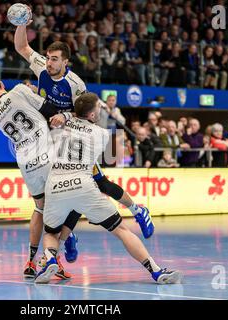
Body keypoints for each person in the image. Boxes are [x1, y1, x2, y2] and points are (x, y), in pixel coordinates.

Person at [14, 17, 155, 269]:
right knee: (59, 191)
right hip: (49, 140)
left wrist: (64, 116)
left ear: (65, 62)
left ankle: (137, 209)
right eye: (47, 57)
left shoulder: (75, 83)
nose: (49, 62)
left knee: (96, 181)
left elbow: (82, 111)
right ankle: (66, 238)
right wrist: (21, 23)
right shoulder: (42, 68)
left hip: (71, 135)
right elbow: (22, 48)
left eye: (54, 59)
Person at [35, 93, 182, 284]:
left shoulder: (56, 127)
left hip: (55, 185)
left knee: (51, 233)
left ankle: (50, 259)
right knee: (121, 230)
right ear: (93, 115)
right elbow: (109, 166)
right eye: (99, 109)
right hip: (82, 185)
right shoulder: (101, 134)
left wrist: (67, 116)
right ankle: (156, 271)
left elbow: (65, 118)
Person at [0, 74, 74, 280]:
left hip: (26, 162)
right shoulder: (19, 90)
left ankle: (31, 261)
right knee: (65, 203)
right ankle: (53, 256)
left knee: (40, 208)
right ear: (2, 84)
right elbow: (49, 111)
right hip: (46, 153)